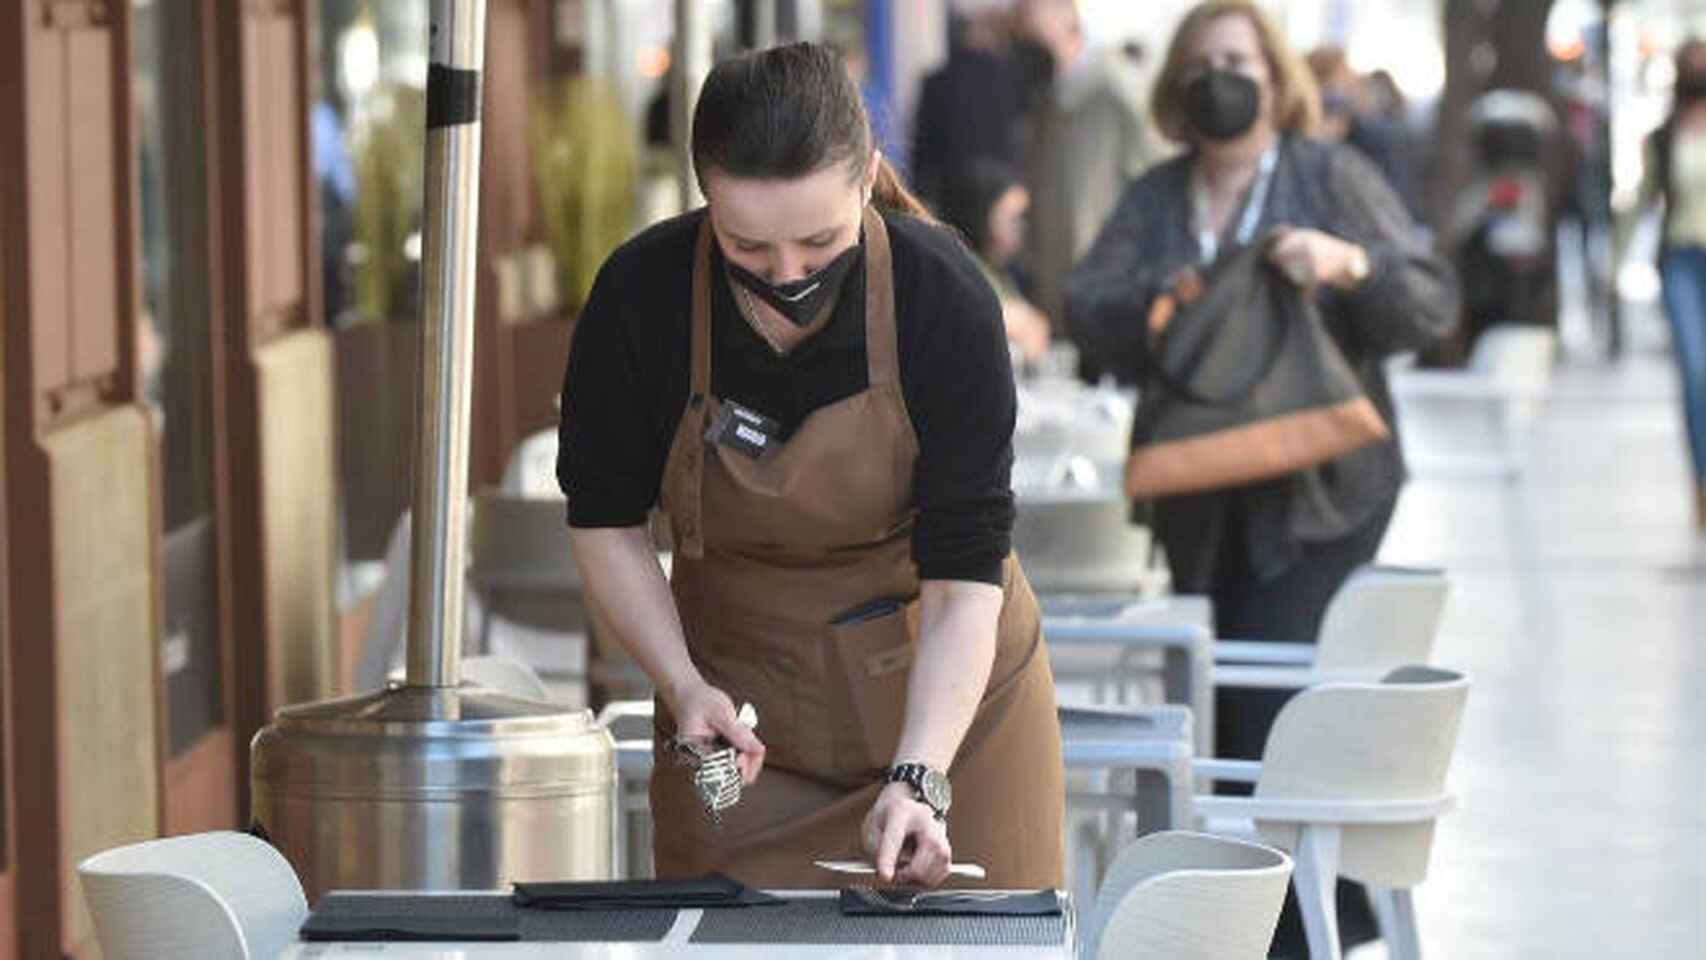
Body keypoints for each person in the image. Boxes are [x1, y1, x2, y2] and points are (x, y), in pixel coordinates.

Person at [557, 42, 1064, 890]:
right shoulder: (640, 298)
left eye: (820, 242)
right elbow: (605, 521)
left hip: (952, 709)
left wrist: (920, 776)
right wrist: (681, 685)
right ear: (704, 198)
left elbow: (962, 580)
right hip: (737, 717)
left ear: (868, 178)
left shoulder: (942, 296)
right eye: (747, 250)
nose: (787, 275)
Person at [1064, 3, 1454, 952]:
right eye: (1199, 63)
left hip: (1325, 494)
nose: (1219, 77)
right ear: (1173, 87)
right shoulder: (1159, 198)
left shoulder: (1330, 177)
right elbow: (1086, 307)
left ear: (1276, 80)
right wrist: (1162, 306)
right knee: (1229, 710)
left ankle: (1298, 926)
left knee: (1268, 714)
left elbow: (1429, 304)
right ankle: (1308, 913)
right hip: (1202, 498)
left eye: (1236, 60)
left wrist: (1346, 264)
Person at [1014, 0, 1160, 327]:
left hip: (1107, 295)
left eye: (1031, 11)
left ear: (1065, 15)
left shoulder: (1117, 88)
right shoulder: (1045, 102)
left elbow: (1157, 177)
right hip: (1054, 293)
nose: (1023, 26)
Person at [1625, 39, 1706, 530]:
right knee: (1696, 372)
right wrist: (1617, 263)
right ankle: (1702, 480)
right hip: (1680, 259)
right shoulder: (1665, 135)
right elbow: (1641, 200)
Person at [937, 159, 1051, 366]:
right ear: (983, 216)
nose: (1021, 227)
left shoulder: (1005, 274)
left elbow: (1036, 327)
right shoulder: (958, 271)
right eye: (1012, 218)